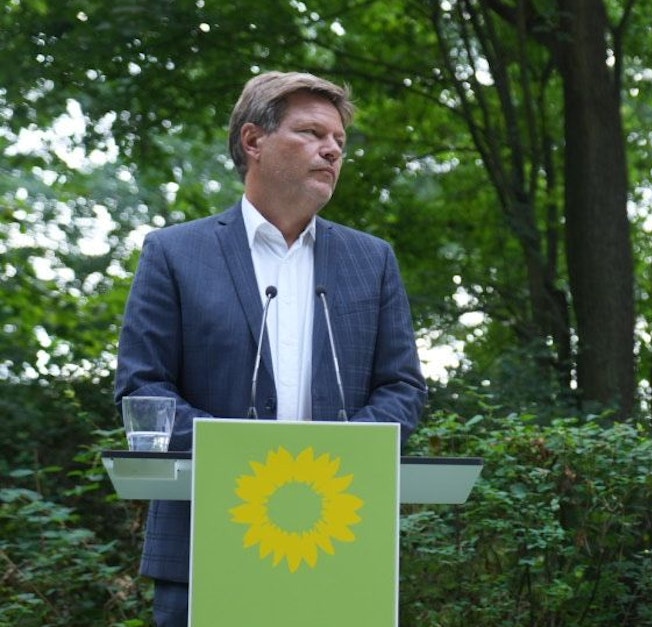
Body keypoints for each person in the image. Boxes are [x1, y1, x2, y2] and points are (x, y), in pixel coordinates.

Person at [114, 71, 427, 627]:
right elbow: (143, 388)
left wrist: (341, 456)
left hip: (340, 542)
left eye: (339, 140)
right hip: (203, 544)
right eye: (311, 133)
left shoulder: (371, 260)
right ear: (253, 141)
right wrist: (240, 455)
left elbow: (400, 388)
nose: (332, 150)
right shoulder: (174, 253)